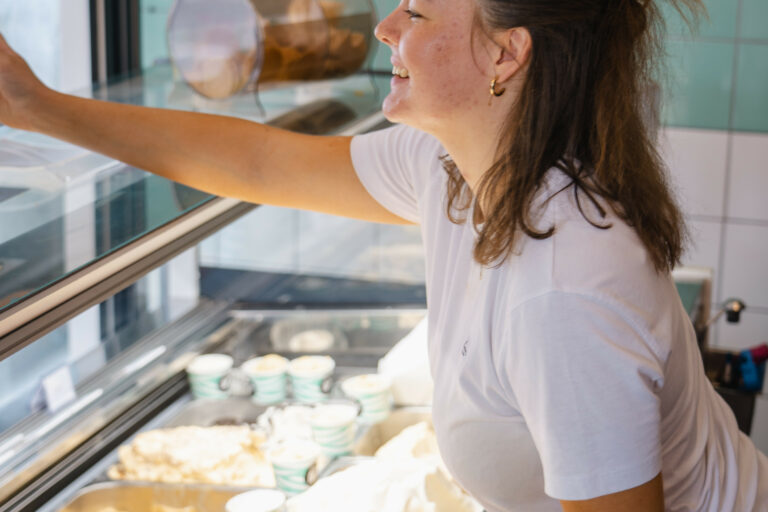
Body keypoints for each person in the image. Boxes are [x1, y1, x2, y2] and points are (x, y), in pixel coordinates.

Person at [0, 0, 766, 509]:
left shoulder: (564, 293)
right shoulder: (457, 170)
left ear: (506, 54)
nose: (384, 26)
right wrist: (39, 106)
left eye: (418, 9)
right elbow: (260, 164)